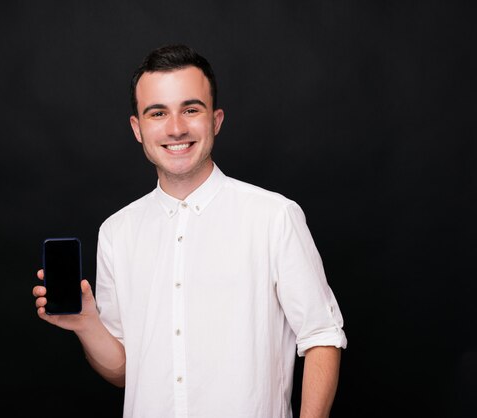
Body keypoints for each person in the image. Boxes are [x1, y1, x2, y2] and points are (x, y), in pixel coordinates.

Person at [33, 44, 348, 418]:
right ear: (138, 128)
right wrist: (86, 324)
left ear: (215, 120)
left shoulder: (274, 216)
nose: (176, 128)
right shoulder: (117, 232)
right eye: (157, 113)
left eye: (191, 109)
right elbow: (122, 372)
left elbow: (322, 336)